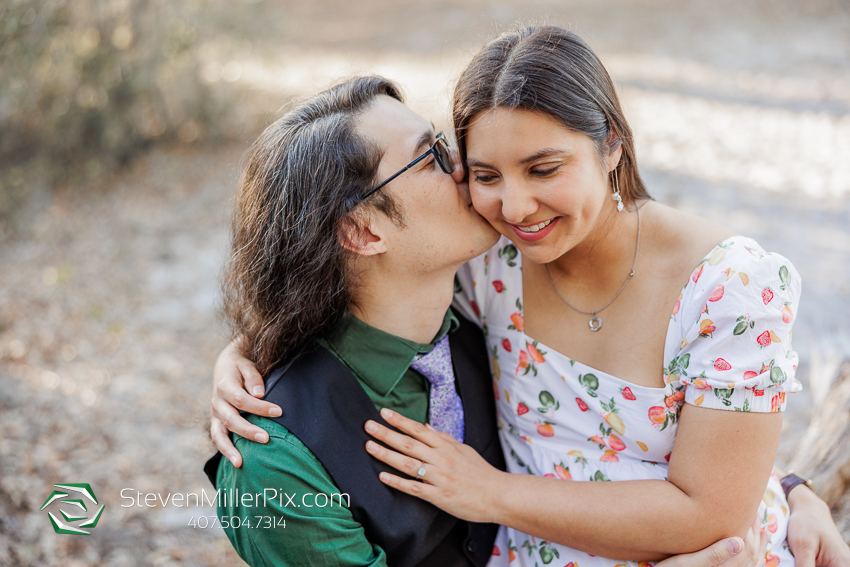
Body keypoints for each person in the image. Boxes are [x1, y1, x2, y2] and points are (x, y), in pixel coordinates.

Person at [208, 29, 850, 566]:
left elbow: (713, 498)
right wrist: (249, 354)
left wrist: (793, 489)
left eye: (543, 168)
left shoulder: (721, 285)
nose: (509, 204)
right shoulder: (490, 266)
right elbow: (325, 284)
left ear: (612, 146)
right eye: (474, 169)